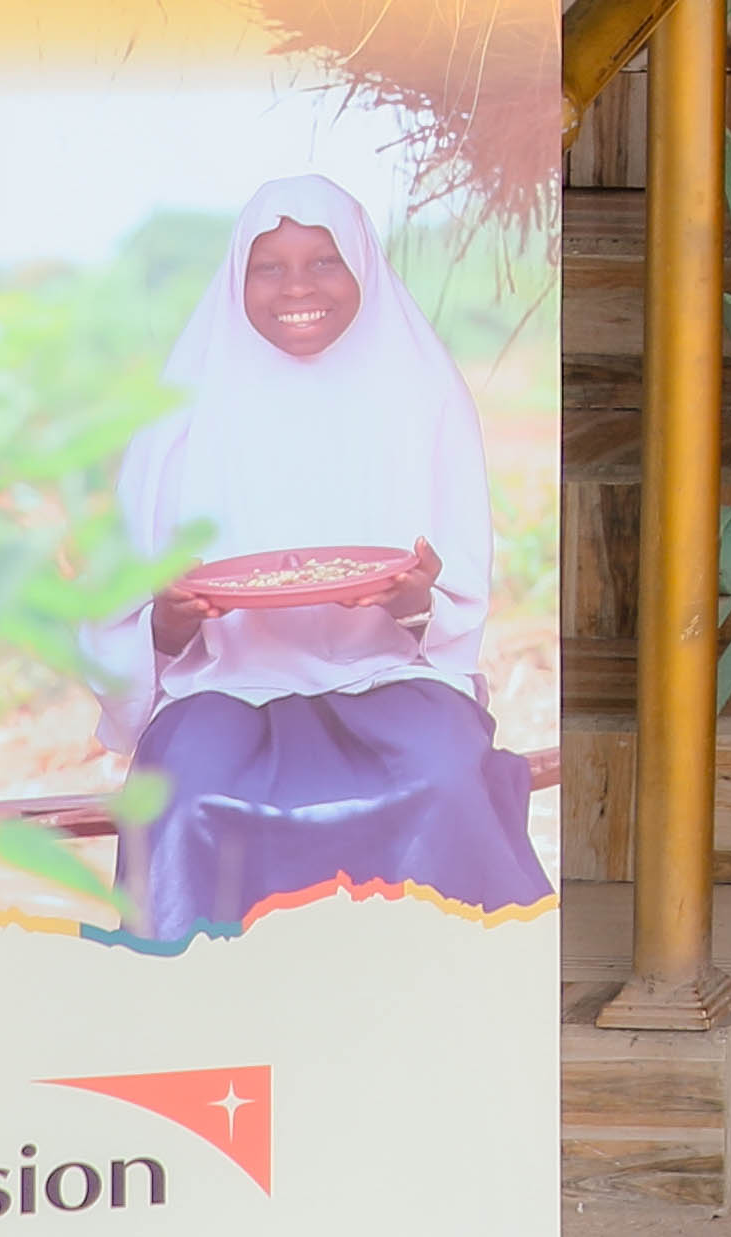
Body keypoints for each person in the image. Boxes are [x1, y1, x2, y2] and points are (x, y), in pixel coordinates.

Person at [93, 176, 550, 950]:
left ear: (364, 265)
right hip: (223, 685)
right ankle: (191, 1022)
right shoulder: (177, 412)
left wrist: (412, 602)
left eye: (323, 260)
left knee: (446, 778)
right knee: (184, 794)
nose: (297, 285)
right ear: (235, 277)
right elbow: (130, 607)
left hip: (392, 677)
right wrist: (167, 619)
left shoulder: (423, 393)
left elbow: (454, 594)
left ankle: (446, 1002)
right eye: (269, 265)